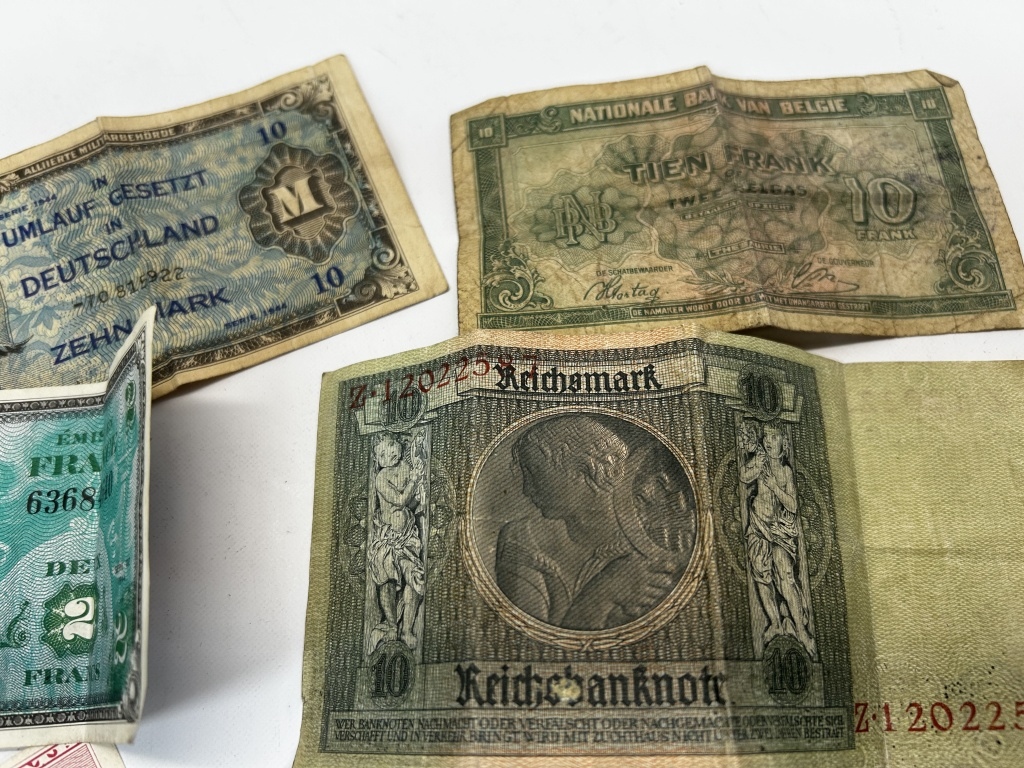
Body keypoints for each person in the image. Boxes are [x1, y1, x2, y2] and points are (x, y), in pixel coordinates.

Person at [494, 414, 693, 631]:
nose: (527, 489)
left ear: (586, 470)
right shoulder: (523, 539)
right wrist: (602, 594)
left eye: (534, 473)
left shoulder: (663, 540)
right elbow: (533, 642)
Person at [739, 422, 815, 655]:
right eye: (766, 437)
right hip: (758, 526)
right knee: (762, 576)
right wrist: (756, 463)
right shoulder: (761, 462)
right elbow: (744, 476)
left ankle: (801, 631)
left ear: (784, 443)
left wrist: (774, 486)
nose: (769, 441)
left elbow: (792, 505)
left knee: (785, 575)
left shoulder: (785, 472)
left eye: (774, 437)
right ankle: (775, 622)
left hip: (780, 531)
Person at [366, 434, 425, 651]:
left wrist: (418, 493)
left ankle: (407, 629)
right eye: (381, 454)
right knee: (387, 584)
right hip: (387, 540)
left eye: (390, 447)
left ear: (399, 447)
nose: (388, 454)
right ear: (377, 459)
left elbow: (411, 502)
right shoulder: (381, 477)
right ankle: (392, 625)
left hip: (407, 539)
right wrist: (414, 481)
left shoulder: (407, 469)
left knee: (415, 579)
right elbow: (400, 500)